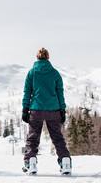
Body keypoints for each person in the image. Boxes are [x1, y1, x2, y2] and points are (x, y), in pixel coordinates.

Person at [22, 47, 71, 175]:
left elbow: (27, 92)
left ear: (37, 58)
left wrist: (25, 109)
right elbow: (60, 93)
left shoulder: (32, 73)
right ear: (48, 58)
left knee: (33, 138)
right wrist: (62, 110)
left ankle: (30, 164)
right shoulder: (55, 73)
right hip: (53, 110)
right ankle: (65, 163)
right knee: (57, 138)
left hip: (36, 110)